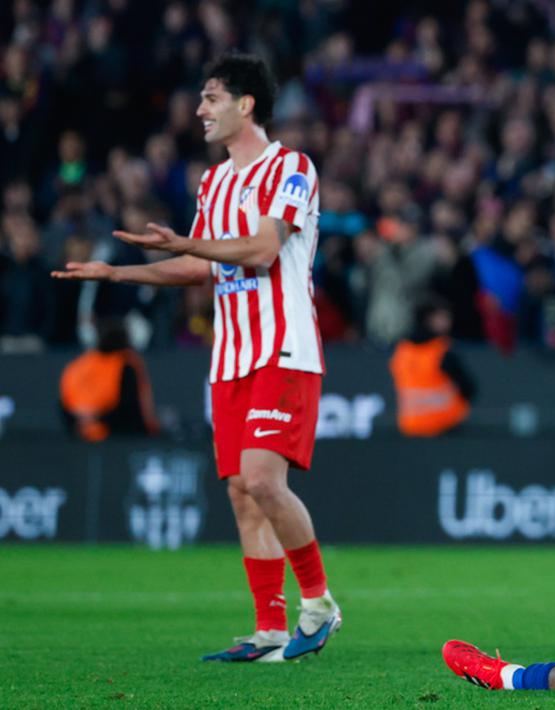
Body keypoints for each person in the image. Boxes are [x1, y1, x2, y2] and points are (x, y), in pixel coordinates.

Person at [52, 53, 340, 663]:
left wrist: (187, 241)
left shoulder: (291, 167)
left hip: (283, 346)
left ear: (246, 104)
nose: (200, 110)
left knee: (264, 478)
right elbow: (201, 264)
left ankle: (319, 604)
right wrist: (117, 273)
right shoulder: (214, 183)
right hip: (230, 356)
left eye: (211, 98)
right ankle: (268, 630)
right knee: (241, 491)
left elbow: (261, 250)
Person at [60, 318, 159, 441]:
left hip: (80, 434)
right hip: (118, 437)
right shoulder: (126, 364)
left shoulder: (76, 365)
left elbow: (64, 406)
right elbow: (130, 409)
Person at [389, 300, 475, 437]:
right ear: (430, 319)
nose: (448, 321)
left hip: (410, 425)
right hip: (445, 426)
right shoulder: (443, 351)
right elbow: (469, 388)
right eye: (443, 317)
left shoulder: (402, 350)